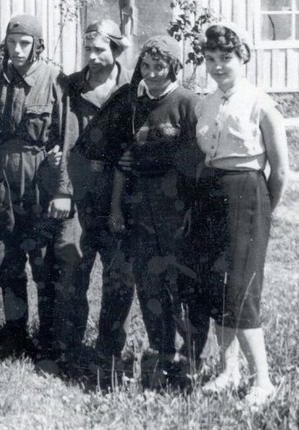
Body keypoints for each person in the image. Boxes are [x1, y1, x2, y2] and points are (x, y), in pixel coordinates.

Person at [189, 23, 288, 407]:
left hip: (247, 195)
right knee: (218, 284)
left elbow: (279, 171)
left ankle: (262, 381)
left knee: (242, 290)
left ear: (243, 57)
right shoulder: (207, 102)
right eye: (210, 60)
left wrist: (261, 212)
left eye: (225, 59)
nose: (217, 66)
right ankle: (228, 372)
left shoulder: (260, 102)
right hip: (212, 192)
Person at [105, 35, 209, 388]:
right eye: (146, 67)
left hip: (178, 210)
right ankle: (161, 352)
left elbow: (202, 162)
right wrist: (117, 208)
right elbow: (123, 162)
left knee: (184, 285)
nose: (151, 74)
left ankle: (193, 356)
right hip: (140, 210)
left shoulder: (189, 103)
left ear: (174, 67)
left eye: (159, 67)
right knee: (150, 284)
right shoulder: (134, 107)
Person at [0, 14, 80, 359]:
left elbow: (66, 137)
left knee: (43, 262)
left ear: (37, 45)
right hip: (4, 184)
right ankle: (15, 332)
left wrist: (62, 189)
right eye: (12, 43)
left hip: (39, 181)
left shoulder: (55, 80)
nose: (18, 49)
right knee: (5, 259)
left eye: (25, 43)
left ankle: (49, 336)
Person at [65, 20, 136, 371]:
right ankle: (72, 344)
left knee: (119, 274)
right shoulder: (70, 86)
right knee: (74, 267)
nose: (92, 57)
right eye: (87, 50)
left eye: (100, 50)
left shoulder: (132, 89)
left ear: (116, 51)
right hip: (79, 192)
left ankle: (110, 348)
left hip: (119, 195)